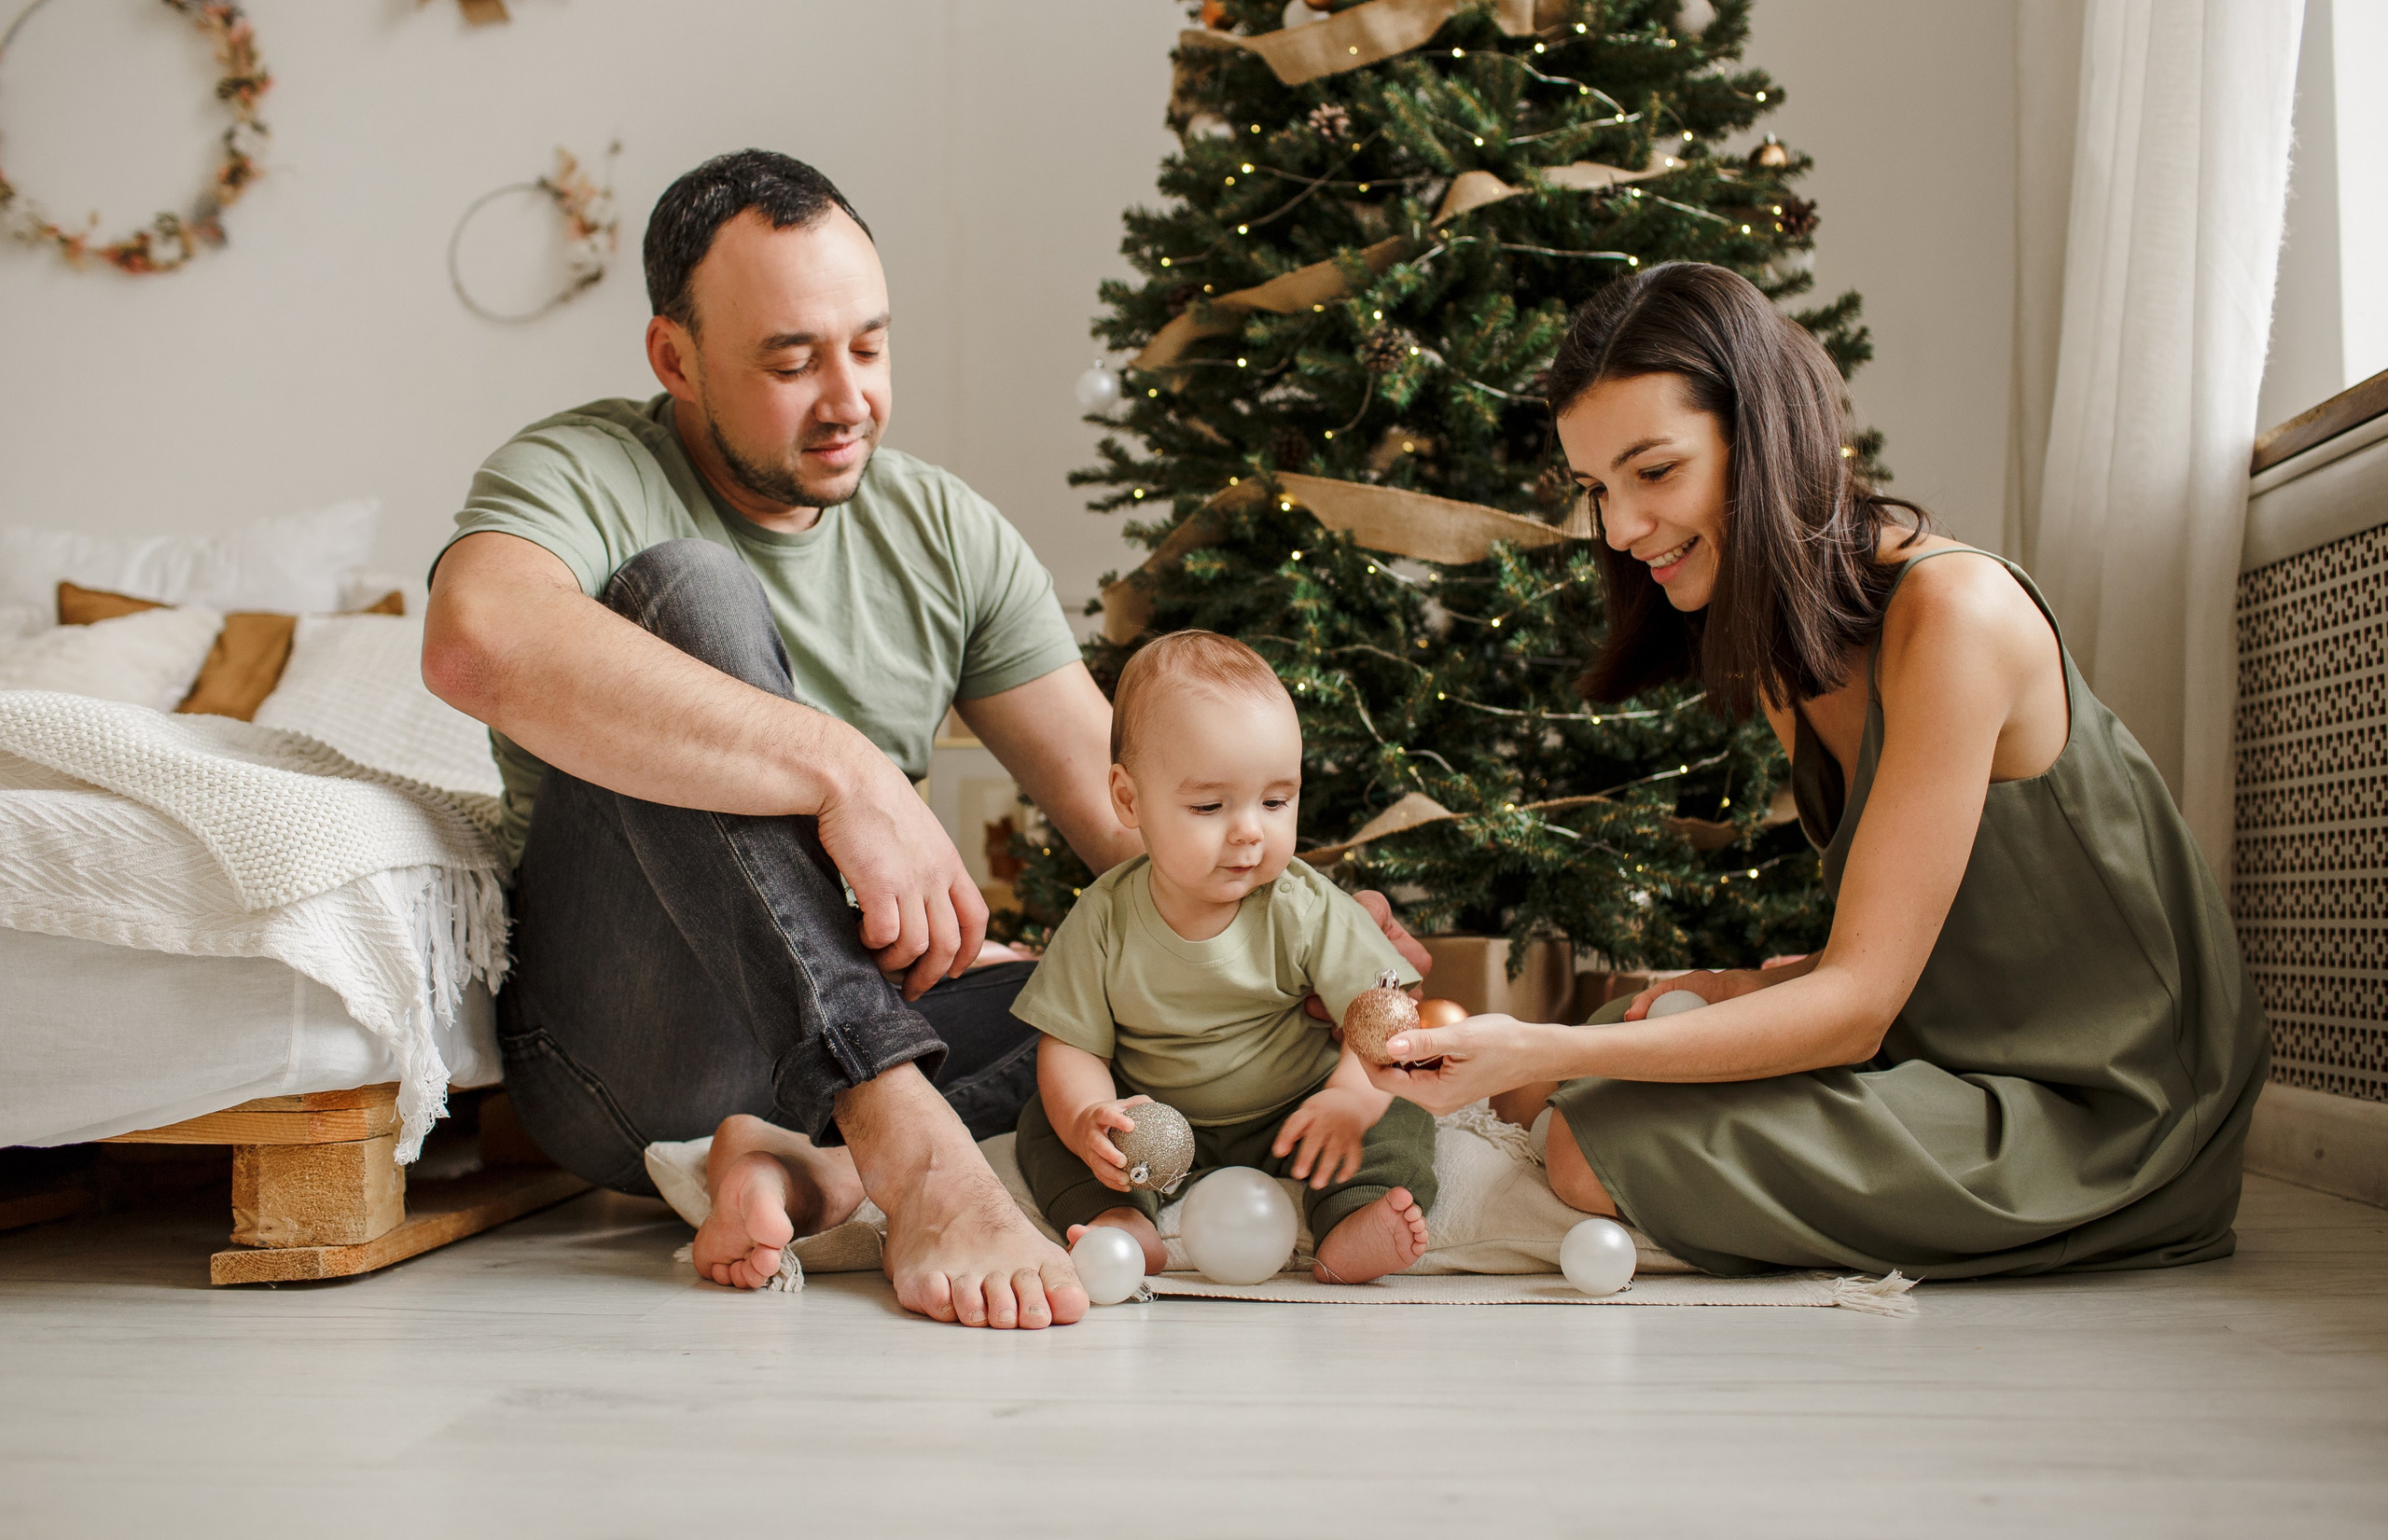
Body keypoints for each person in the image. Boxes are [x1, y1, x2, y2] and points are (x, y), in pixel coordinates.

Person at [423, 150, 1428, 1326]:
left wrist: (1304, 928)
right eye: (792, 360)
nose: (847, 396)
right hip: (634, 1042)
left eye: (869, 344)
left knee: (1091, 988)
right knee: (688, 594)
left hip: (848, 1028)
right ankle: (915, 1160)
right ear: (674, 360)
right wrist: (845, 769)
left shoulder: (944, 531)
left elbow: (1135, 821)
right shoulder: (585, 468)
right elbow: (474, 642)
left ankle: (813, 1165)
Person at [1368, 262, 2268, 1280]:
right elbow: (1894, 948)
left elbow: (1857, 1005)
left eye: (1653, 472)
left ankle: (1495, 1208)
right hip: (1954, 1059)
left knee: (1586, 1128)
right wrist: (1705, 996)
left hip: (2111, 1114)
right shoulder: (1781, 649)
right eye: (1596, 490)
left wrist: (1555, 1047)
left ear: (1762, 441)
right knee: (1580, 1062)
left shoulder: (1952, 615)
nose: (1619, 528)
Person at [1010, 631, 1438, 1285]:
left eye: (1276, 801)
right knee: (1048, 1125)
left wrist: (1350, 1096)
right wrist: (1088, 1117)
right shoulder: (1103, 918)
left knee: (1397, 1114)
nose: (1250, 831)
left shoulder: (1302, 904)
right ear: (1129, 799)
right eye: (1209, 805)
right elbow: (1070, 1047)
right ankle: (1120, 1220)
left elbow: (1386, 1016)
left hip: (1297, 1112)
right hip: (1157, 1119)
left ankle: (1354, 1216)